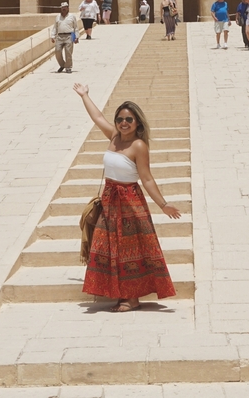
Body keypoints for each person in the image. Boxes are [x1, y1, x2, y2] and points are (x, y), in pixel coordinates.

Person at [73, 83, 180, 312]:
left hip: (130, 202)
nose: (123, 123)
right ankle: (117, 291)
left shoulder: (138, 145)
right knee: (108, 247)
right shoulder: (113, 136)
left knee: (131, 249)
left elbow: (147, 178)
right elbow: (97, 117)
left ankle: (132, 298)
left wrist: (163, 204)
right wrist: (85, 95)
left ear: (137, 123)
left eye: (129, 120)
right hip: (110, 199)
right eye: (120, 118)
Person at [50, 2, 79, 73]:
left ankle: (68, 67)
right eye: (62, 8)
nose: (64, 9)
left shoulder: (72, 16)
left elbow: (75, 27)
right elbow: (55, 27)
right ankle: (62, 65)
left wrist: (76, 37)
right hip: (59, 36)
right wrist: (53, 36)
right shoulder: (58, 17)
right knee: (57, 51)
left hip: (69, 36)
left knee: (68, 52)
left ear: (68, 8)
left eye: (65, 8)